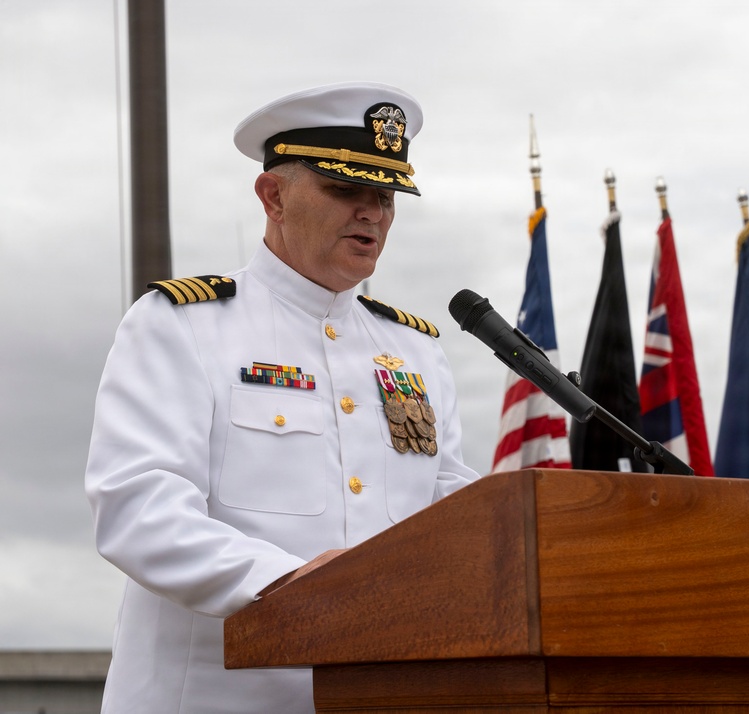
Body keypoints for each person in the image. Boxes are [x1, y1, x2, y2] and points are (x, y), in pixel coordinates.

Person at [85, 81, 480, 713]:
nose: (372, 212)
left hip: (383, 695)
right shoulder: (183, 324)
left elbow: (448, 510)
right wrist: (294, 585)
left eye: (386, 195)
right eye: (345, 189)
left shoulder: (415, 351)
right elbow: (138, 507)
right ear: (273, 196)